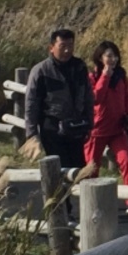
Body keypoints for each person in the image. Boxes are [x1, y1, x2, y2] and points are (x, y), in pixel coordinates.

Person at [23, 27, 93, 172]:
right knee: (59, 169)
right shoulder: (41, 70)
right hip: (52, 127)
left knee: (78, 168)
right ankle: (59, 195)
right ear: (51, 47)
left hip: (76, 125)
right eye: (63, 46)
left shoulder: (79, 66)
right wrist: (32, 133)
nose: (67, 50)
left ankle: (74, 195)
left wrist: (89, 123)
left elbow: (87, 96)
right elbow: (31, 103)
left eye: (71, 46)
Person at [84, 40, 128, 185]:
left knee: (127, 161)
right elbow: (96, 98)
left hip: (118, 129)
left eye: (115, 56)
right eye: (108, 56)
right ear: (100, 58)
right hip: (97, 130)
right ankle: (90, 201)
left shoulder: (121, 75)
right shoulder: (92, 77)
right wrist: (105, 76)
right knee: (91, 168)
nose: (113, 59)